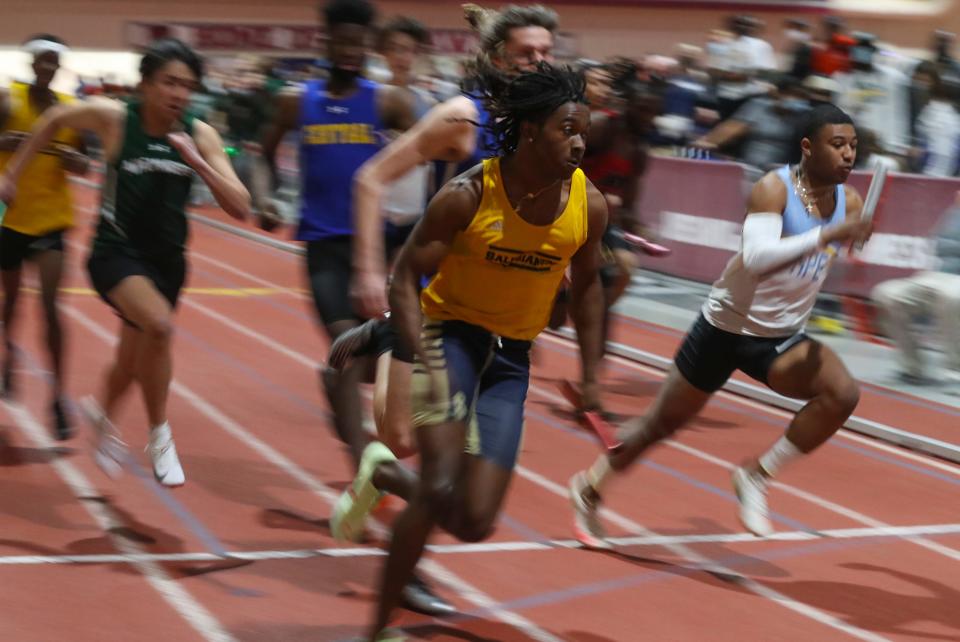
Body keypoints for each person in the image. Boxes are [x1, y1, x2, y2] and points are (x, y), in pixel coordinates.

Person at [362, 62, 606, 641]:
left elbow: (591, 286)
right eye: (565, 129)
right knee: (441, 483)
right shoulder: (469, 194)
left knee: (474, 523)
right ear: (528, 130)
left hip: (510, 360)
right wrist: (415, 354)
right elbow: (404, 275)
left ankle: (386, 474)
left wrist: (592, 375)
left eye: (583, 132)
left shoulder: (589, 206)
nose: (577, 143)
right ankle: (377, 627)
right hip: (449, 338)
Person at [568, 104, 872, 548]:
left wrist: (852, 236)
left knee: (842, 393)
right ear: (808, 148)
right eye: (838, 144)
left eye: (854, 146)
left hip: (779, 337)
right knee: (658, 427)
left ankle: (756, 475)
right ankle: (589, 489)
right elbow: (757, 258)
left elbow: (825, 260)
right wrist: (826, 235)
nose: (848, 155)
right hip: (725, 329)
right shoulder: (774, 189)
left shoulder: (851, 202)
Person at [0, 38, 251, 485]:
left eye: (187, 86)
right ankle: (160, 434)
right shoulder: (118, 119)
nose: (179, 94)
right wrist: (12, 173)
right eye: (169, 83)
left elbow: (241, 205)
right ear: (145, 85)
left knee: (134, 359)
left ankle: (101, 414)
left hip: (168, 263)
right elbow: (57, 117)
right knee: (159, 327)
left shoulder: (198, 132)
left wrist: (199, 162)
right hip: (115, 253)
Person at [0, 34, 89, 439]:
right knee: (12, 303)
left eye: (56, 63)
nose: (49, 68)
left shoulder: (70, 110)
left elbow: (85, 165)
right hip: (9, 216)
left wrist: (76, 160)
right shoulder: (8, 100)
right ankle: (9, 356)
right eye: (44, 61)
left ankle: (57, 397)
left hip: (52, 218)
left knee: (52, 310)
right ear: (32, 63)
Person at [872, 202, 960, 384]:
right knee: (886, 295)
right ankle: (912, 366)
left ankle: (955, 369)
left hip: (956, 282)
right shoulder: (952, 214)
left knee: (952, 297)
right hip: (934, 276)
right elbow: (939, 246)